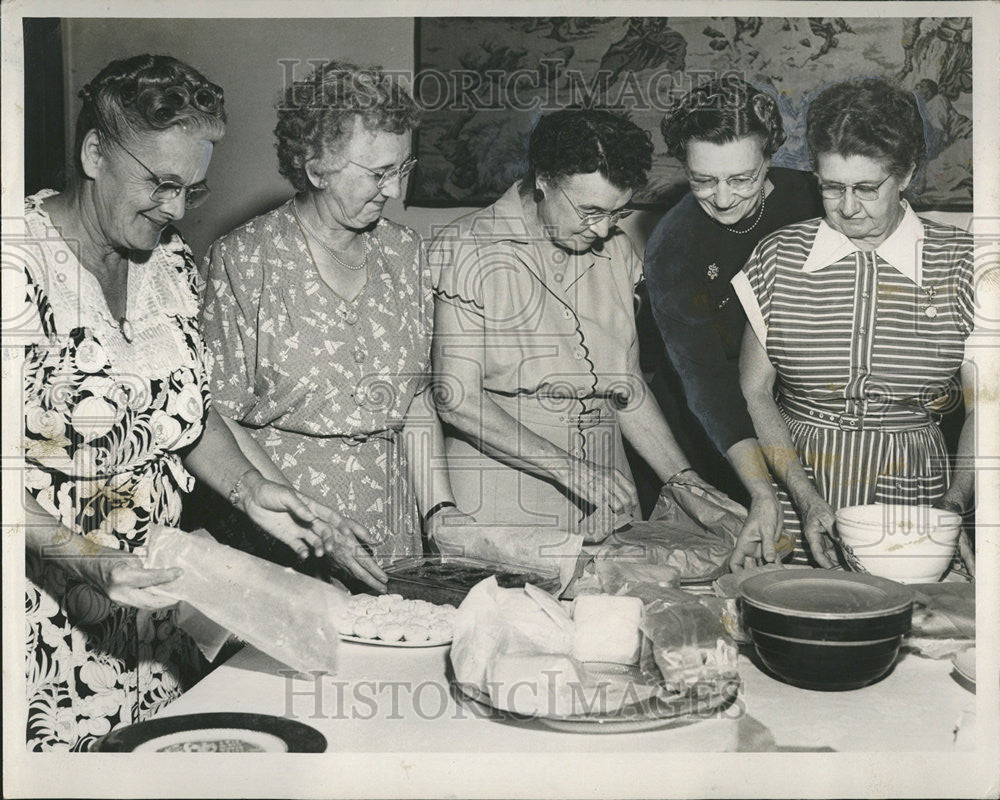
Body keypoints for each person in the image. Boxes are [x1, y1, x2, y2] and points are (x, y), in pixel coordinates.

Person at [22, 55, 347, 752]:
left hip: (157, 620)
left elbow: (183, 413)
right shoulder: (15, 267)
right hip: (42, 627)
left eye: (191, 191)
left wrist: (249, 488)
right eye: (160, 184)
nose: (174, 210)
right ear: (93, 153)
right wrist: (87, 559)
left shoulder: (169, 263)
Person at [200, 61, 467, 590]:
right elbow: (213, 415)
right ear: (316, 168)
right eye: (376, 173)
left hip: (390, 528)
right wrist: (318, 527)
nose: (392, 190)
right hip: (284, 534)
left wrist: (440, 510)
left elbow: (412, 401)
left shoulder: (405, 252)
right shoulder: (244, 258)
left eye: (401, 167)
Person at [430, 109, 722, 542]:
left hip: (609, 490)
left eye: (617, 213)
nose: (603, 229)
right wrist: (569, 468)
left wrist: (685, 481)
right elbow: (457, 399)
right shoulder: (466, 248)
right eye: (589, 211)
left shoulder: (617, 253)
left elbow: (627, 389)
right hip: (500, 492)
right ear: (543, 180)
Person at [733, 78, 976, 572]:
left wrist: (953, 507)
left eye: (867, 188)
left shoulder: (963, 265)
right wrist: (804, 499)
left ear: (905, 174)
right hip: (797, 479)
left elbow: (987, 404)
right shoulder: (779, 257)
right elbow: (755, 390)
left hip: (913, 492)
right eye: (831, 187)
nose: (847, 207)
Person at [642, 77, 824, 570]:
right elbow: (708, 385)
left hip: (809, 414)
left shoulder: (816, 200)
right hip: (717, 433)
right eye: (703, 180)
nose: (722, 199)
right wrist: (762, 493)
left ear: (770, 156)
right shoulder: (671, 247)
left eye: (742, 178)